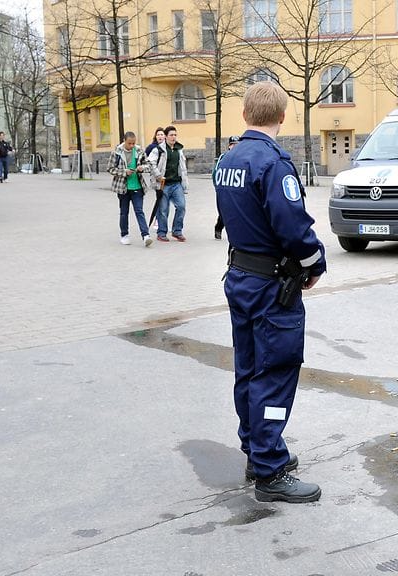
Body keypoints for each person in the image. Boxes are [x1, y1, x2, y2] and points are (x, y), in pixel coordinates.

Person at [215, 81, 326, 503]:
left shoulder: (229, 159)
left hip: (241, 276)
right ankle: (270, 470)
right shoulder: (274, 162)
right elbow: (293, 228)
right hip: (270, 286)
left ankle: (256, 448)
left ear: (245, 115)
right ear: (283, 117)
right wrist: (314, 262)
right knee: (275, 371)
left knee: (248, 366)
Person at [108, 131, 154, 247]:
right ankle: (124, 235)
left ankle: (146, 236)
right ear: (124, 141)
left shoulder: (139, 151)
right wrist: (124, 172)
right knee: (124, 212)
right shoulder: (116, 153)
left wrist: (141, 168)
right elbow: (110, 169)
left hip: (137, 187)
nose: (132, 146)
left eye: (134, 143)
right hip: (123, 188)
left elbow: (149, 165)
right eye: (129, 143)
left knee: (139, 211)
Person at [150, 126, 188, 242]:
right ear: (166, 136)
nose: (173, 137)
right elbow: (151, 162)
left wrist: (184, 183)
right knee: (163, 210)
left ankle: (177, 231)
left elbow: (183, 168)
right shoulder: (159, 149)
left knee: (181, 206)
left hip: (177, 184)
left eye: (175, 135)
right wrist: (158, 176)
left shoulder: (179, 149)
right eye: (171, 135)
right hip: (164, 184)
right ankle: (161, 233)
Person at [213, 135, 240, 240]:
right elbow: (215, 173)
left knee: (237, 212)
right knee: (224, 213)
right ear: (229, 146)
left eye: (237, 145)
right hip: (223, 191)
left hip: (236, 190)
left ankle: (235, 234)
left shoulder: (242, 158)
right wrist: (218, 187)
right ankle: (218, 228)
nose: (235, 147)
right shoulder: (223, 157)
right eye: (233, 145)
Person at [144, 127, 165, 229]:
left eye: (162, 134)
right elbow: (147, 161)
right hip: (157, 178)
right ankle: (156, 220)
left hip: (166, 178)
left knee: (165, 201)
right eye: (158, 135)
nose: (160, 136)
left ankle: (161, 221)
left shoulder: (168, 148)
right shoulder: (151, 148)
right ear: (155, 136)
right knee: (159, 199)